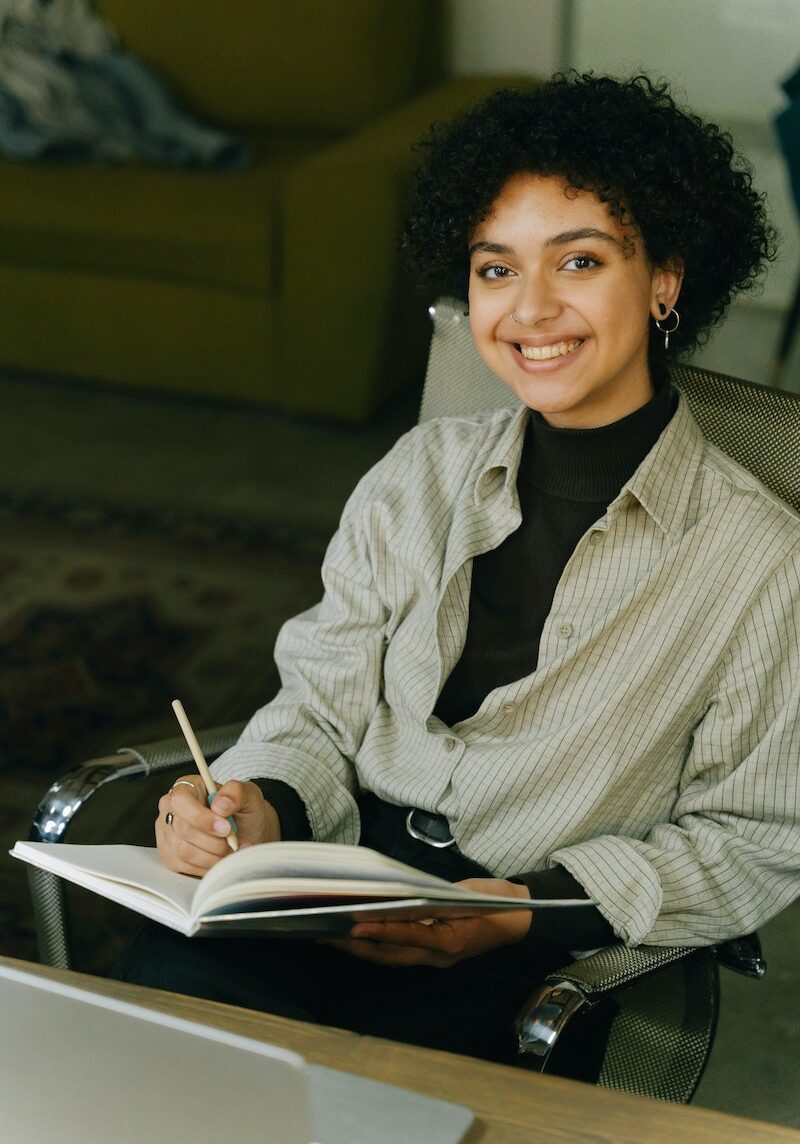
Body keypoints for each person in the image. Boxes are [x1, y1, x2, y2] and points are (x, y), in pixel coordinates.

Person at [114, 73, 799, 1075]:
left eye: (577, 260)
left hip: (519, 959)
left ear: (664, 279)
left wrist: (515, 912)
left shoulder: (760, 561)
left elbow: (754, 833)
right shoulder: (417, 475)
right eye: (494, 270)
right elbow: (319, 702)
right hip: (311, 905)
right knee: (135, 1070)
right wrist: (260, 805)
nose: (530, 311)